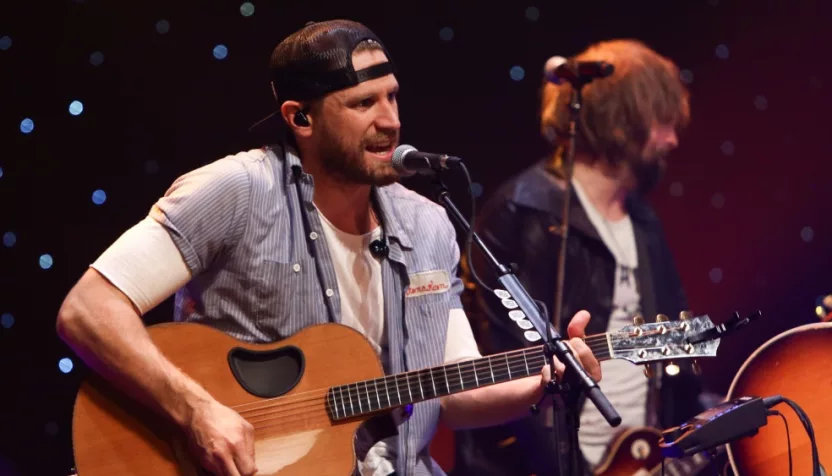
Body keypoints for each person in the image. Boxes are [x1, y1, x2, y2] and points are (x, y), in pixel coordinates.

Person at [55, 20, 600, 476]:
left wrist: (540, 381)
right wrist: (196, 409)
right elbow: (88, 311)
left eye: (392, 97)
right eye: (364, 102)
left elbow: (452, 393)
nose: (390, 120)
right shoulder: (236, 192)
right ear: (301, 118)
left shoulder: (430, 223)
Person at [452, 39, 712, 475]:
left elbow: (674, 350)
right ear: (621, 122)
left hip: (639, 460)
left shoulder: (641, 220)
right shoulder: (525, 213)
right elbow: (512, 373)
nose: (672, 139)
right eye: (662, 122)